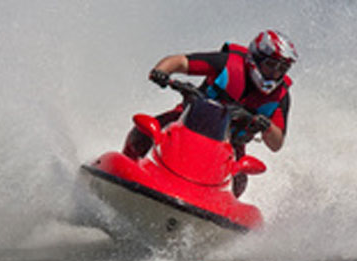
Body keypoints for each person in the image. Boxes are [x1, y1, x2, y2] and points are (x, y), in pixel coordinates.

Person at [122, 29, 298, 198]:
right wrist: (160, 72)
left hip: (229, 144)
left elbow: (277, 143)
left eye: (282, 68)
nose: (275, 73)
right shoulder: (226, 63)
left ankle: (218, 213)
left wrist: (266, 126)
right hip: (186, 121)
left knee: (239, 182)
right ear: (256, 59)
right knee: (143, 133)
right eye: (271, 65)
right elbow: (180, 61)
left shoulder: (280, 96)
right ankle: (125, 167)